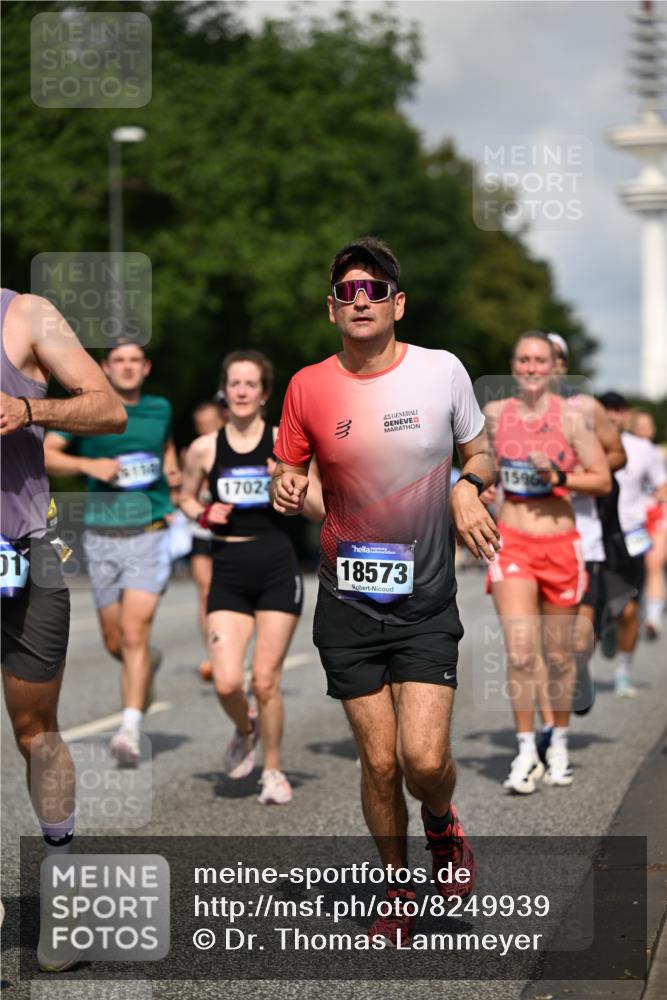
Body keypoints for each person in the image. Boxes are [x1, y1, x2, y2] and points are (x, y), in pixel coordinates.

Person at [270, 237, 499, 945]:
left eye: (373, 290)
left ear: (397, 304)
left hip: (425, 599)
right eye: (348, 291)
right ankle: (397, 888)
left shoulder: (441, 371)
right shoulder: (308, 386)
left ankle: (441, 823)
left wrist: (467, 487)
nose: (360, 300)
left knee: (423, 761)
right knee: (378, 762)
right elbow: (290, 471)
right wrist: (286, 487)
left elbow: (481, 452)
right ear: (331, 308)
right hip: (347, 599)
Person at [0, 288, 126, 970]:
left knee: (35, 732)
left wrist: (28, 409)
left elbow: (108, 409)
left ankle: (64, 892)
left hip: (26, 553)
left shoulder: (25, 314)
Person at [179, 351, 323, 805]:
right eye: (235, 384)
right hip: (228, 570)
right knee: (226, 682)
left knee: (264, 681)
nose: (242, 391)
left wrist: (287, 480)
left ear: (264, 393)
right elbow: (184, 497)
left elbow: (319, 508)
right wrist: (203, 514)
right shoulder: (204, 448)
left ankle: (273, 771)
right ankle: (246, 728)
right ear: (225, 392)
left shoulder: (286, 442)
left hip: (277, 566)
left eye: (251, 384)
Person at [485, 331, 611, 794]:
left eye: (540, 360)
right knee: (521, 651)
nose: (532, 367)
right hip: (513, 542)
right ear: (513, 366)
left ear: (553, 366)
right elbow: (482, 466)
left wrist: (558, 475)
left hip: (560, 544)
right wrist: (483, 486)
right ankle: (524, 751)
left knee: (558, 656)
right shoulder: (494, 414)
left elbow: (601, 479)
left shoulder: (573, 418)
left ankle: (557, 741)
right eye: (524, 360)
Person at [44, 342, 181, 764]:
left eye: (134, 360)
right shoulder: (91, 409)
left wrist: (173, 474)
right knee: (114, 640)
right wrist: (89, 467)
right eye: (118, 360)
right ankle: (146, 665)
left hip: (150, 532)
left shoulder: (160, 408)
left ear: (146, 367)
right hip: (102, 535)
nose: (127, 367)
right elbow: (47, 453)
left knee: (135, 632)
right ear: (104, 367)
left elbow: (166, 448)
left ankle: (130, 730)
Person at [546, 332, 627, 721]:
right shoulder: (510, 412)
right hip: (533, 536)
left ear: (563, 365)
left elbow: (618, 454)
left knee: (577, 640)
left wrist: (583, 470)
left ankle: (578, 665)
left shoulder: (586, 407)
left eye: (553, 358)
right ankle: (547, 732)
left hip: (583, 536)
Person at [597, 394, 667, 695]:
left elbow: (662, 484)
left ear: (625, 415)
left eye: (617, 410)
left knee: (630, 609)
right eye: (606, 410)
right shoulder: (583, 444)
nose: (612, 416)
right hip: (594, 536)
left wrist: (658, 499)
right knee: (590, 607)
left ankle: (624, 672)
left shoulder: (643, 449)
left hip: (633, 534)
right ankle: (605, 626)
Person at [187, 400, 226, 681]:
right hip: (201, 529)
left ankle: (232, 648)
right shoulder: (193, 452)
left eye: (211, 425)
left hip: (232, 531)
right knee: (205, 591)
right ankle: (214, 655)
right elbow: (184, 493)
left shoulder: (236, 449)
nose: (206, 430)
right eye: (201, 426)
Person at [628, 411, 667, 640]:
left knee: (654, 564)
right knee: (633, 569)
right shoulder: (623, 451)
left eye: (648, 424)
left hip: (657, 516)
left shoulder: (658, 453)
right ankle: (624, 615)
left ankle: (652, 618)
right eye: (640, 424)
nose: (644, 428)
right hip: (631, 520)